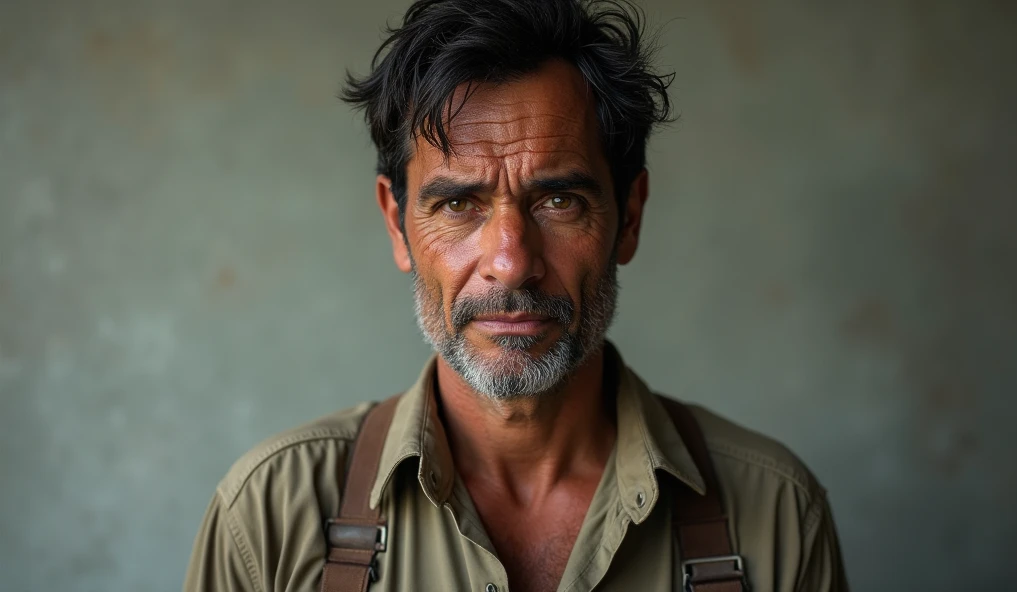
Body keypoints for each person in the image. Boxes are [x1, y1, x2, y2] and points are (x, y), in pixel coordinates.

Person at [183, 1, 848, 590]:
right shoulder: (271, 517)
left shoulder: (774, 515)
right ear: (397, 224)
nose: (511, 263)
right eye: (460, 203)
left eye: (559, 199)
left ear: (630, 216)